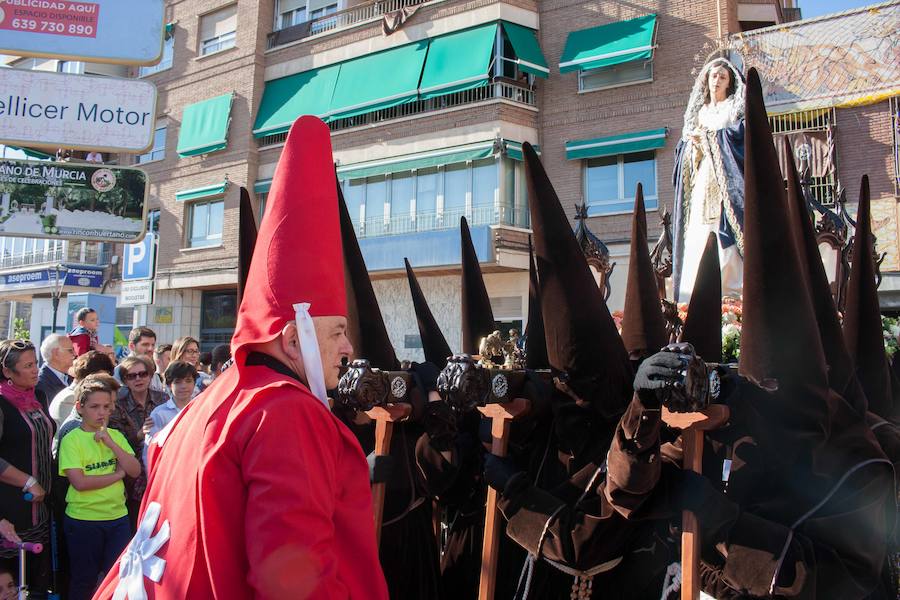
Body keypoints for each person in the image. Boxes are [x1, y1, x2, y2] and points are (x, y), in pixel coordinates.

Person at [94, 116, 387, 599]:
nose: (349, 348)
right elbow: (293, 580)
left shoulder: (212, 400)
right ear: (294, 340)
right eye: (337, 332)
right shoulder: (286, 411)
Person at [59, 374, 140, 600]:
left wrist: (111, 443)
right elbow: (80, 482)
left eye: (106, 406)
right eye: (95, 407)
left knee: (119, 577)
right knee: (83, 580)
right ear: (80, 407)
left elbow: (134, 470)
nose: (101, 412)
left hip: (117, 518)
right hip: (83, 519)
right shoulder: (72, 439)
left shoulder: (114, 435)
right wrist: (116, 476)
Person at [673, 56, 746, 302]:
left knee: (725, 230)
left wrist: (709, 139)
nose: (717, 80)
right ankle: (695, 291)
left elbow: (739, 139)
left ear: (729, 83)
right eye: (714, 75)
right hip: (703, 178)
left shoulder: (732, 109)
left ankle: (730, 292)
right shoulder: (701, 113)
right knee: (698, 231)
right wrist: (694, 146)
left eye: (722, 77)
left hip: (725, 178)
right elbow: (685, 149)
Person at [0, 340, 53, 598]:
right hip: (9, 510)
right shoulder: (1, 404)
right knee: (10, 585)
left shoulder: (39, 395)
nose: (36, 370)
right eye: (28, 365)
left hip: (40, 511)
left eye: (36, 364)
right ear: (8, 372)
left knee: (36, 587)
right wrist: (28, 480)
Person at [110, 356, 166, 531]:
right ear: (125, 380)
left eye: (142, 374)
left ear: (150, 375)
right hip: (131, 478)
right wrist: (139, 435)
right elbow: (115, 441)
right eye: (131, 376)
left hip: (160, 469)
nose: (138, 379)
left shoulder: (163, 399)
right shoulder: (118, 404)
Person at [146, 361, 197, 446]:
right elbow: (151, 446)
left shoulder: (200, 409)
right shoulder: (159, 414)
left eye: (188, 381)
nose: (183, 386)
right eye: (178, 382)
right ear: (169, 384)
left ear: (194, 383)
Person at [115, 327, 165, 394]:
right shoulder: (120, 370)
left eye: (153, 345)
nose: (150, 349)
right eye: (145, 345)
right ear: (132, 346)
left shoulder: (153, 372)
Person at [37, 334, 74, 408]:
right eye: (70, 350)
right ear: (56, 353)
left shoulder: (71, 377)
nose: (75, 354)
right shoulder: (41, 384)